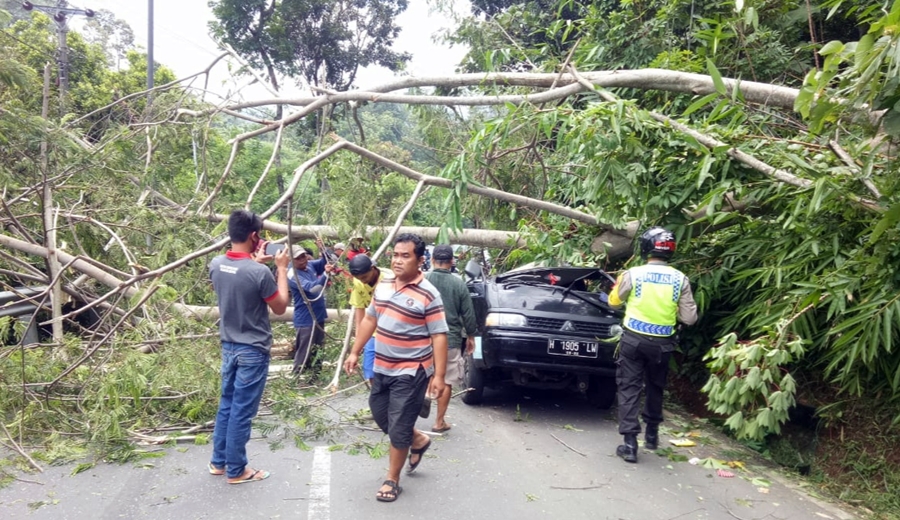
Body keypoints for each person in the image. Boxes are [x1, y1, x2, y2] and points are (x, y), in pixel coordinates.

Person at [343, 233, 448, 503]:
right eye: (395, 255)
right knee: (382, 415)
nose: (398, 261)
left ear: (420, 260)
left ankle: (392, 479)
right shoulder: (385, 285)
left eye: (405, 256)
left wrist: (438, 375)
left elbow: (439, 335)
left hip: (412, 370)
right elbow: (370, 319)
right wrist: (355, 351)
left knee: (398, 425)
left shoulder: (429, 294)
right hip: (382, 365)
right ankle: (419, 440)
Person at [208, 210, 290, 484]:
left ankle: (219, 462)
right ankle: (237, 469)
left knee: (227, 405)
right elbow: (279, 307)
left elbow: (237, 277)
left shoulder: (216, 264)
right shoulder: (259, 272)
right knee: (242, 411)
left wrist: (257, 262)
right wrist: (279, 268)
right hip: (252, 351)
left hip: (229, 346)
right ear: (255, 236)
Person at [608, 227, 698, 463]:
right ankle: (651, 436)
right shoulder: (680, 279)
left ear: (646, 248)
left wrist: (616, 289)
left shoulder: (633, 274)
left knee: (629, 388)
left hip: (633, 341)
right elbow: (689, 318)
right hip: (663, 345)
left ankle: (629, 444)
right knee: (655, 386)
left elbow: (614, 303)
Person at [425, 244, 477, 433]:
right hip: (450, 339)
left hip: (423, 338)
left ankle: (425, 393)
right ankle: (439, 422)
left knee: (424, 375)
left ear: (432, 260)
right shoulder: (458, 284)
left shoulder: (423, 280)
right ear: (452, 261)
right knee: (446, 379)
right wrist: (471, 335)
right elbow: (468, 314)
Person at [287, 243, 333, 373]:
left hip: (318, 315)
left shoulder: (309, 265)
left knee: (318, 349)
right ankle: (297, 376)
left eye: (304, 256)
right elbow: (313, 289)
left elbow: (326, 261)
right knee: (304, 351)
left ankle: (315, 376)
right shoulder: (293, 275)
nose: (302, 260)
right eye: (298, 258)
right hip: (306, 319)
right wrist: (325, 274)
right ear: (291, 259)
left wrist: (322, 249)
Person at [347, 253, 384, 382]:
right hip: (372, 330)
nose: (363, 280)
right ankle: (377, 398)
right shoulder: (358, 282)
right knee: (370, 369)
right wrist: (359, 341)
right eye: (359, 278)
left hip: (391, 331)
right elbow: (360, 310)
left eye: (365, 277)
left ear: (373, 268)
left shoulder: (390, 279)